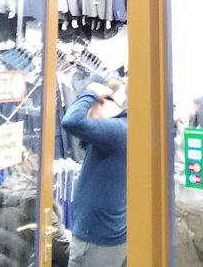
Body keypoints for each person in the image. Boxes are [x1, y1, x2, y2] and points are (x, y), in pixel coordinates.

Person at [60, 77, 127, 267]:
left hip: (96, 241)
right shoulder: (121, 128)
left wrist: (90, 93)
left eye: (88, 111)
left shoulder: (116, 130)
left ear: (100, 103)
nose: (88, 119)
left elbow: (71, 121)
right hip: (104, 236)